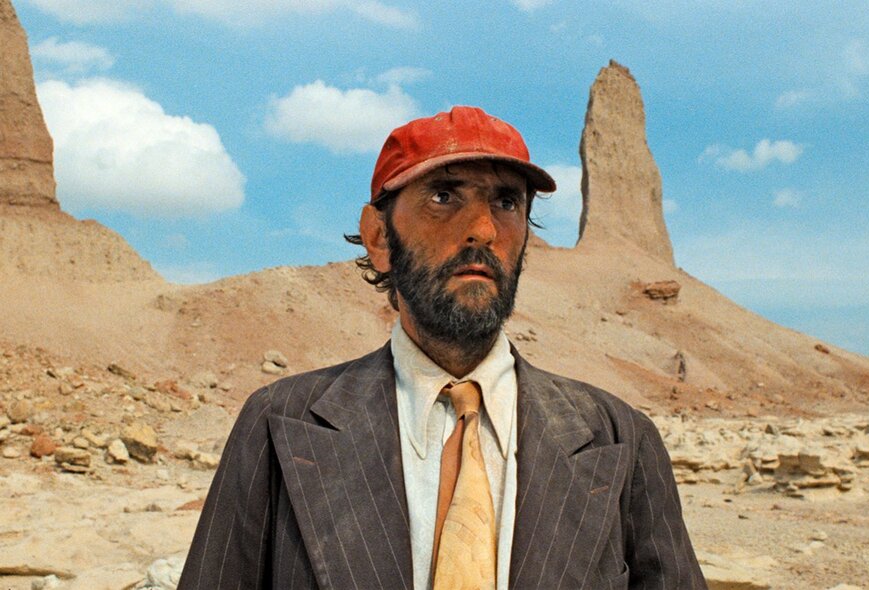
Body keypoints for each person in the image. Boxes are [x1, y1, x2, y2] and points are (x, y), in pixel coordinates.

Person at [179, 106, 706, 589]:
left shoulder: (621, 438)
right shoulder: (279, 423)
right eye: (443, 196)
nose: (481, 229)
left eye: (506, 202)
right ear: (379, 238)